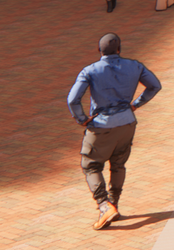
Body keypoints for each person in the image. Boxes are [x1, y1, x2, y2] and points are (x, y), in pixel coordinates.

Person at [65, 32, 162, 230]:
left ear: (99, 51)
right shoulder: (135, 65)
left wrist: (82, 120)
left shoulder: (89, 71)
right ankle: (114, 203)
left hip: (101, 125)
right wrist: (135, 105)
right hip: (127, 122)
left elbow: (72, 99)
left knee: (91, 165)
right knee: (118, 164)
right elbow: (155, 86)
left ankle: (104, 206)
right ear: (119, 49)